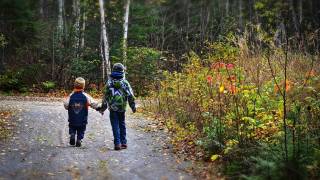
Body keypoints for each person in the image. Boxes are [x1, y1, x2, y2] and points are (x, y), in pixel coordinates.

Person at [97, 63, 136, 150]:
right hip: (122, 108)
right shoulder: (125, 83)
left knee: (115, 125)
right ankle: (124, 142)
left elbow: (105, 97)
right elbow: (130, 95)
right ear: (122, 72)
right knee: (122, 124)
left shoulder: (109, 83)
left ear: (113, 71)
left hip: (113, 108)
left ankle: (117, 143)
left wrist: (102, 109)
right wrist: (133, 106)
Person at [63, 77, 100, 147]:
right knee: (82, 129)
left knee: (72, 127)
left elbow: (66, 105)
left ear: (74, 85)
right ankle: (79, 139)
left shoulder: (71, 96)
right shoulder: (86, 96)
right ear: (83, 86)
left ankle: (72, 134)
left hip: (72, 118)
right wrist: (99, 107)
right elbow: (94, 103)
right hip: (82, 118)